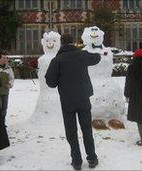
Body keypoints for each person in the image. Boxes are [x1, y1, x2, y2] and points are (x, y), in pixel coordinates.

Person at [45, 34, 100, 170]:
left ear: (61, 44)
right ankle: (92, 158)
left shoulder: (57, 60)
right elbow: (97, 58)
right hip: (83, 99)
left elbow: (50, 83)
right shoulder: (82, 55)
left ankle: (76, 161)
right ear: (73, 42)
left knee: (71, 131)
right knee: (87, 129)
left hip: (68, 101)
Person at [0, 51, 14, 127]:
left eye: (6, 58)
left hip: (5, 91)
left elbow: (12, 78)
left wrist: (10, 84)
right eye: (4, 58)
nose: (5, 59)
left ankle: (2, 122)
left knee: (4, 108)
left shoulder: (8, 68)